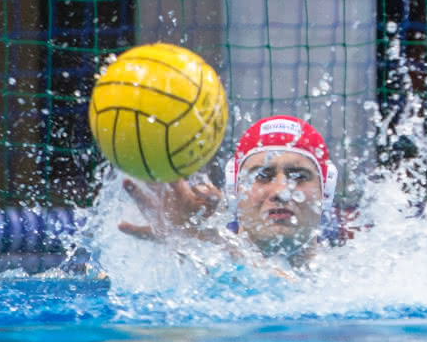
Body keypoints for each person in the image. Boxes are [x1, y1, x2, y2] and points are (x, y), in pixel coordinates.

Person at [118, 114, 342, 269]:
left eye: (299, 176)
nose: (281, 192)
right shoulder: (194, 271)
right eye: (261, 176)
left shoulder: (350, 283)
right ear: (234, 191)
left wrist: (202, 238)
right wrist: (189, 235)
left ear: (327, 191)